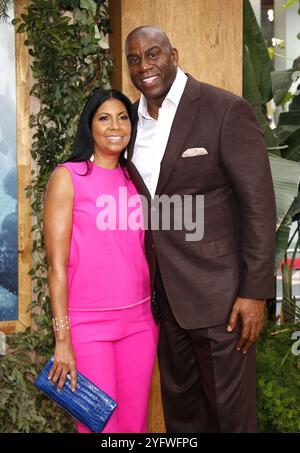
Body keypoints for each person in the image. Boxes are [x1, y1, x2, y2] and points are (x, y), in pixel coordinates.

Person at [125, 26, 276, 433]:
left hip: (223, 301)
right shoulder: (130, 124)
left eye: (153, 54)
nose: (145, 67)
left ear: (173, 54)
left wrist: (254, 292)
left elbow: (259, 206)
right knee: (183, 421)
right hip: (165, 304)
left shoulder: (223, 109)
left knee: (231, 421)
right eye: (135, 60)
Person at [43, 89, 159, 433]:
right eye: (104, 117)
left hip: (139, 324)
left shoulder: (136, 180)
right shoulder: (68, 177)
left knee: (135, 427)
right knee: (100, 428)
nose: (115, 126)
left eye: (123, 117)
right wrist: (62, 339)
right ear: (89, 125)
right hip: (87, 329)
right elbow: (55, 266)